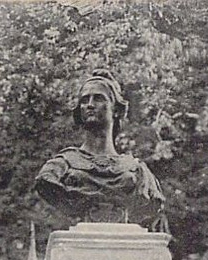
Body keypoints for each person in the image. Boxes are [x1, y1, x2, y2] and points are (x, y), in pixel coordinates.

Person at [35, 70, 167, 230]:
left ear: (116, 110)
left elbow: (152, 201)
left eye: (98, 98)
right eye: (84, 100)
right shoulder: (59, 167)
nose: (89, 105)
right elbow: (45, 183)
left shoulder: (138, 172)